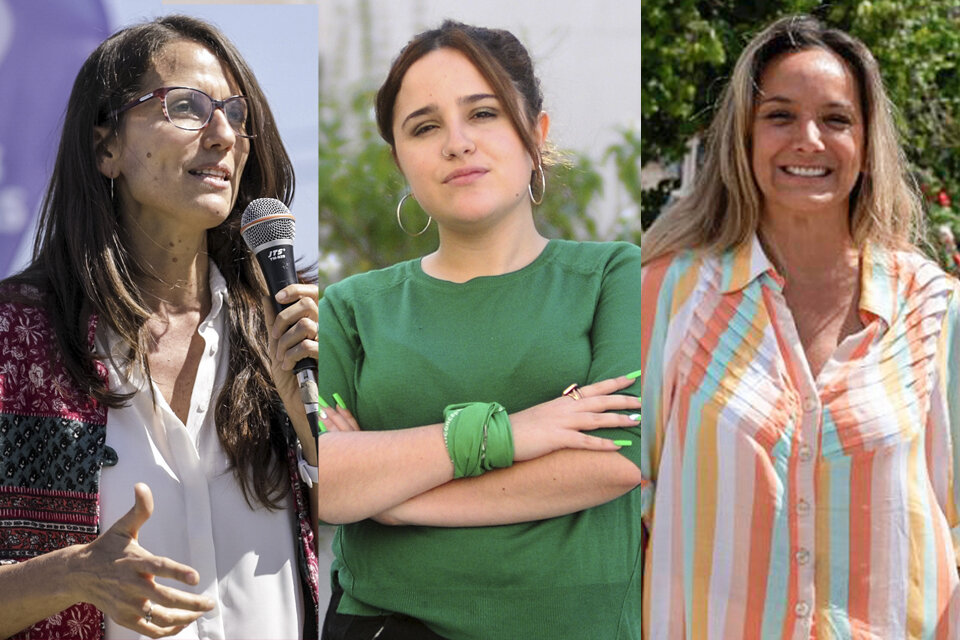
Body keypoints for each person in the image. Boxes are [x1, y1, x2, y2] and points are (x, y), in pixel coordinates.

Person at [318, 20, 643, 640]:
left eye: (484, 113)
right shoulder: (351, 307)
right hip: (386, 624)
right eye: (425, 126)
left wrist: (391, 498)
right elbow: (322, 481)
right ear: (400, 160)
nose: (458, 143)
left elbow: (618, 460)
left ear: (536, 135)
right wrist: (518, 432)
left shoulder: (615, 275)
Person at [0, 15, 319, 640]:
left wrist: (313, 429)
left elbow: (373, 547)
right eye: (186, 107)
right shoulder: (14, 341)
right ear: (106, 147)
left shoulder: (291, 333)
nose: (224, 134)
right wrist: (75, 574)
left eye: (234, 110)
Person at [642, 15, 959, 638]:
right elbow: (629, 503)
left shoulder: (934, 307)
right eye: (780, 116)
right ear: (745, 137)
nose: (808, 140)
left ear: (867, 145)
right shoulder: (667, 294)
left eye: (836, 119)